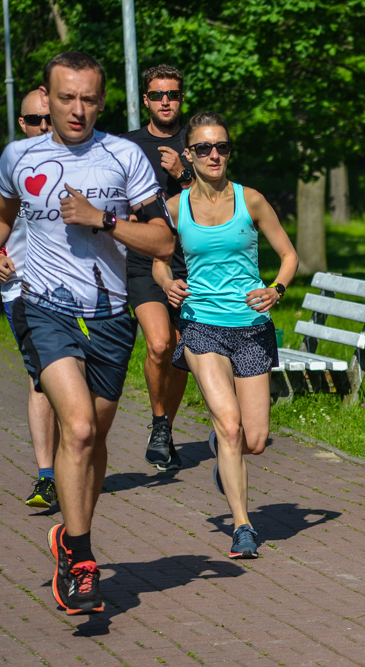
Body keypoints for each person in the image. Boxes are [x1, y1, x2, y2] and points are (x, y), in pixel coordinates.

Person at [0, 52, 174, 615]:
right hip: (43, 307)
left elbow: (163, 242)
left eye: (89, 99)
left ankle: (69, 538)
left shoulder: (124, 158)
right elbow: (4, 213)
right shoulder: (17, 156)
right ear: (45, 99)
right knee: (75, 428)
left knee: (93, 441)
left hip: (109, 315)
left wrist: (103, 219)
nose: (78, 109)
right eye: (66, 98)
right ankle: (81, 555)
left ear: (102, 101)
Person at [153, 112, 297, 559]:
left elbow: (289, 255)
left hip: (251, 328)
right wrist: (166, 282)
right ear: (188, 156)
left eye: (221, 147)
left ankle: (222, 447)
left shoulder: (250, 200)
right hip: (201, 326)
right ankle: (243, 526)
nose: (214, 155)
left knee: (253, 439)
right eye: (203, 148)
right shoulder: (174, 208)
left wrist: (276, 289)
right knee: (230, 425)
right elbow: (157, 259)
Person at [123, 64, 194, 472]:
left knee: (182, 352)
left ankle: (167, 427)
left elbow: (218, 200)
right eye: (158, 94)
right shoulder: (127, 146)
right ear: (146, 100)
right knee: (159, 344)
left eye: (173, 94)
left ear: (181, 99)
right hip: (145, 263)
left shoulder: (198, 143)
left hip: (191, 264)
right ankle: (158, 422)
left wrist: (183, 174)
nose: (166, 101)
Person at [0, 89, 61, 509]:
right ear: (23, 124)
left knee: (81, 380)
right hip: (21, 288)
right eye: (35, 121)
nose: (44, 127)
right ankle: (47, 477)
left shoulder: (82, 161)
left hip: (75, 289)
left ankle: (75, 460)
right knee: (42, 376)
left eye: (49, 119)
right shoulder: (10, 165)